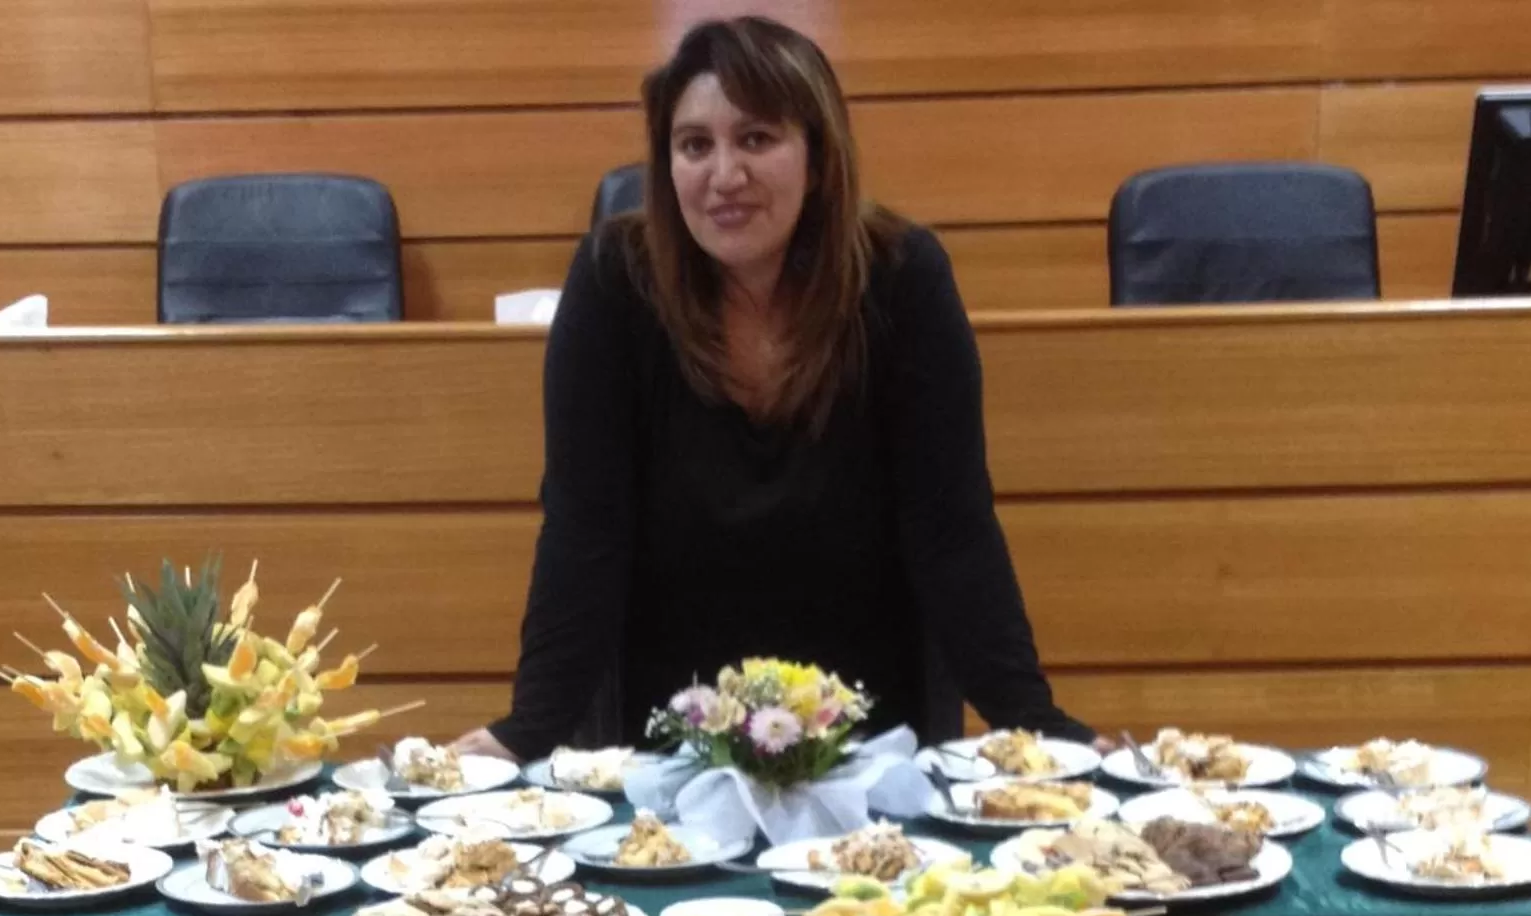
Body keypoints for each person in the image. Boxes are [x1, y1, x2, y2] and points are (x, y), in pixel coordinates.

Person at [456, 15, 1091, 764]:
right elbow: (583, 531)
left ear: (818, 159)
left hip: (868, 730)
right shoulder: (613, 281)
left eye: (755, 139)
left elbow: (951, 529)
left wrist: (1037, 725)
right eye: (695, 145)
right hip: (666, 732)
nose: (724, 175)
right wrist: (526, 731)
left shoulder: (903, 278)